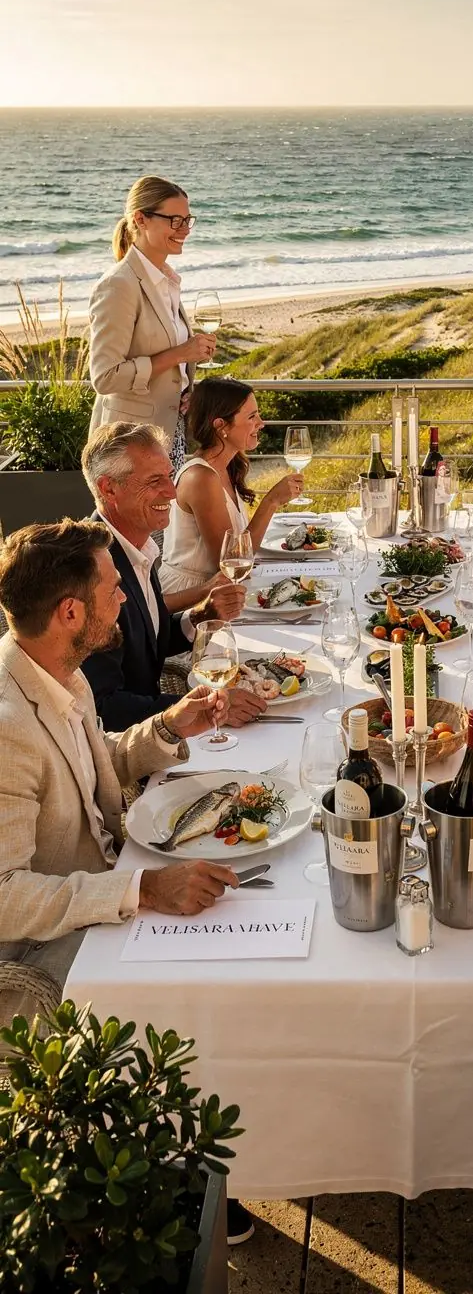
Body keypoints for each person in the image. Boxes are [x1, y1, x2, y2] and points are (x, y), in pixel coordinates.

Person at [0, 519, 239, 1025]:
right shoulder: (7, 728)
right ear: (70, 612)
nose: (124, 599)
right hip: (44, 952)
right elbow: (5, 896)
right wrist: (143, 889)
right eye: (112, 590)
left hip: (107, 886)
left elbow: (85, 763)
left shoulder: (58, 671)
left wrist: (167, 728)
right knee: (218, 984)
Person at [79, 421, 265, 730]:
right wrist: (206, 709)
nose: (172, 492)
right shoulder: (91, 573)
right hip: (128, 745)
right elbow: (103, 708)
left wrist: (203, 614)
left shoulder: (137, 546)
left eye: (169, 476)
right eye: (155, 481)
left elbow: (147, 642)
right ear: (108, 488)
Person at [88, 177, 217, 472]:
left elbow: (167, 369)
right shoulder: (119, 285)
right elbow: (105, 377)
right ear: (140, 219)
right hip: (128, 445)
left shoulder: (167, 280)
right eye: (175, 220)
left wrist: (185, 391)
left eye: (187, 220)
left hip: (169, 435)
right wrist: (180, 354)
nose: (185, 230)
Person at [160, 378, 304, 595]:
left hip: (221, 587)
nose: (261, 423)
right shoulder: (201, 477)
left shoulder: (226, 467)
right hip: (192, 595)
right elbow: (232, 561)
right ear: (221, 426)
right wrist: (271, 501)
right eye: (252, 417)